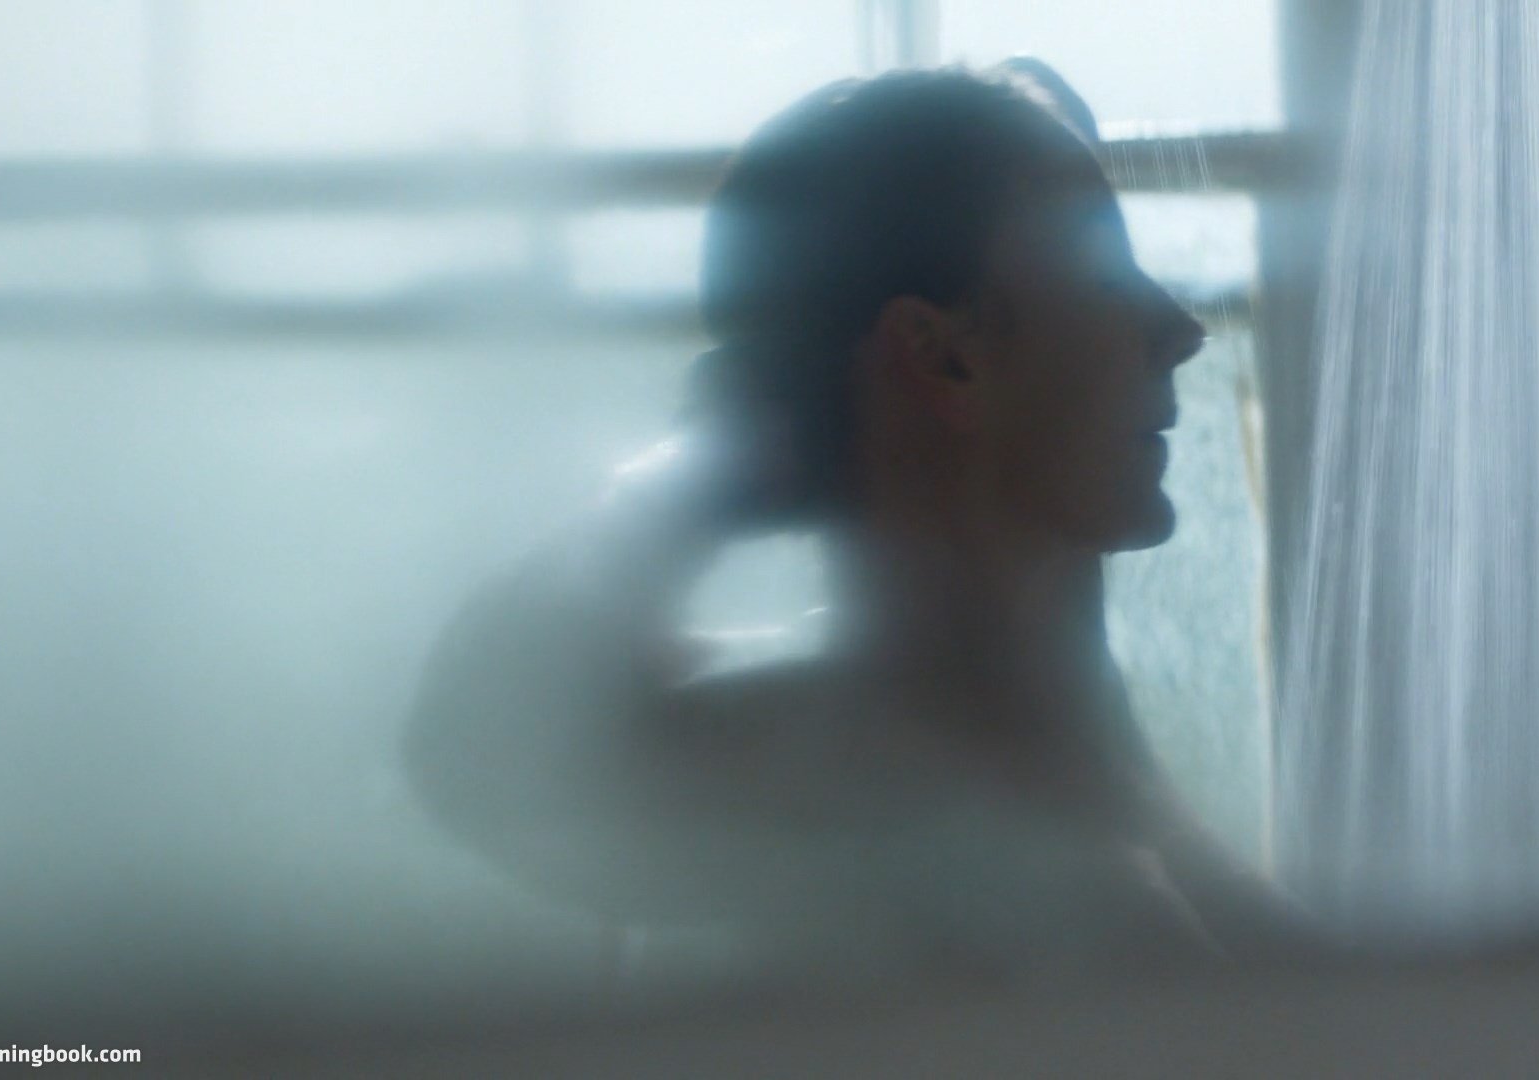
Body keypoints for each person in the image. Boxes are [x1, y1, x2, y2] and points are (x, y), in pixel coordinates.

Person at [404, 63, 1315, 984]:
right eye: (1105, 270)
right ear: (939, 356)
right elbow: (479, 735)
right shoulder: (857, 771)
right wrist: (722, 455)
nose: (1181, 328)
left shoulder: (1048, 720)